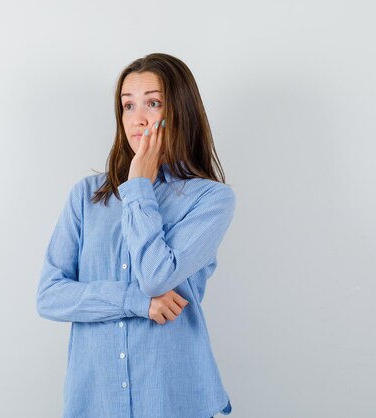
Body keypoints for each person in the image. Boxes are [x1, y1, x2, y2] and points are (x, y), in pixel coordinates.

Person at [36, 52, 236, 418]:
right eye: (128, 106)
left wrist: (139, 186)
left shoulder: (211, 199)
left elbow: (157, 275)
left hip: (173, 400)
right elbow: (49, 295)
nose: (137, 118)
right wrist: (137, 302)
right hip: (96, 401)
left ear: (181, 110)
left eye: (154, 103)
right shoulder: (86, 196)